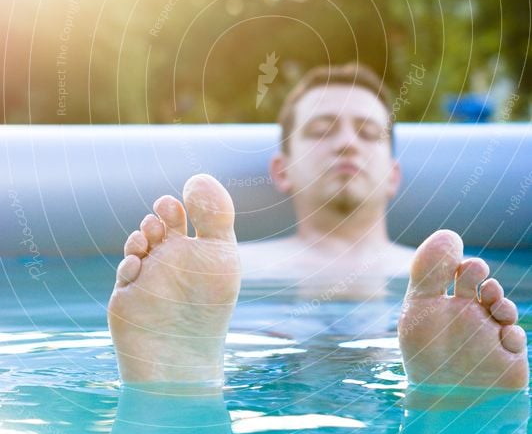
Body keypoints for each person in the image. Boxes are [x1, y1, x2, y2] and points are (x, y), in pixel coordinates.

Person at [108, 63, 529, 392]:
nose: (347, 143)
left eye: (368, 132)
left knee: (445, 335)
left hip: (263, 388)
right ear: (282, 168)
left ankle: (446, 387)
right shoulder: (214, 270)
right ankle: (183, 374)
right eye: (321, 130)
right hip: (260, 379)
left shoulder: (461, 290)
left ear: (393, 173)